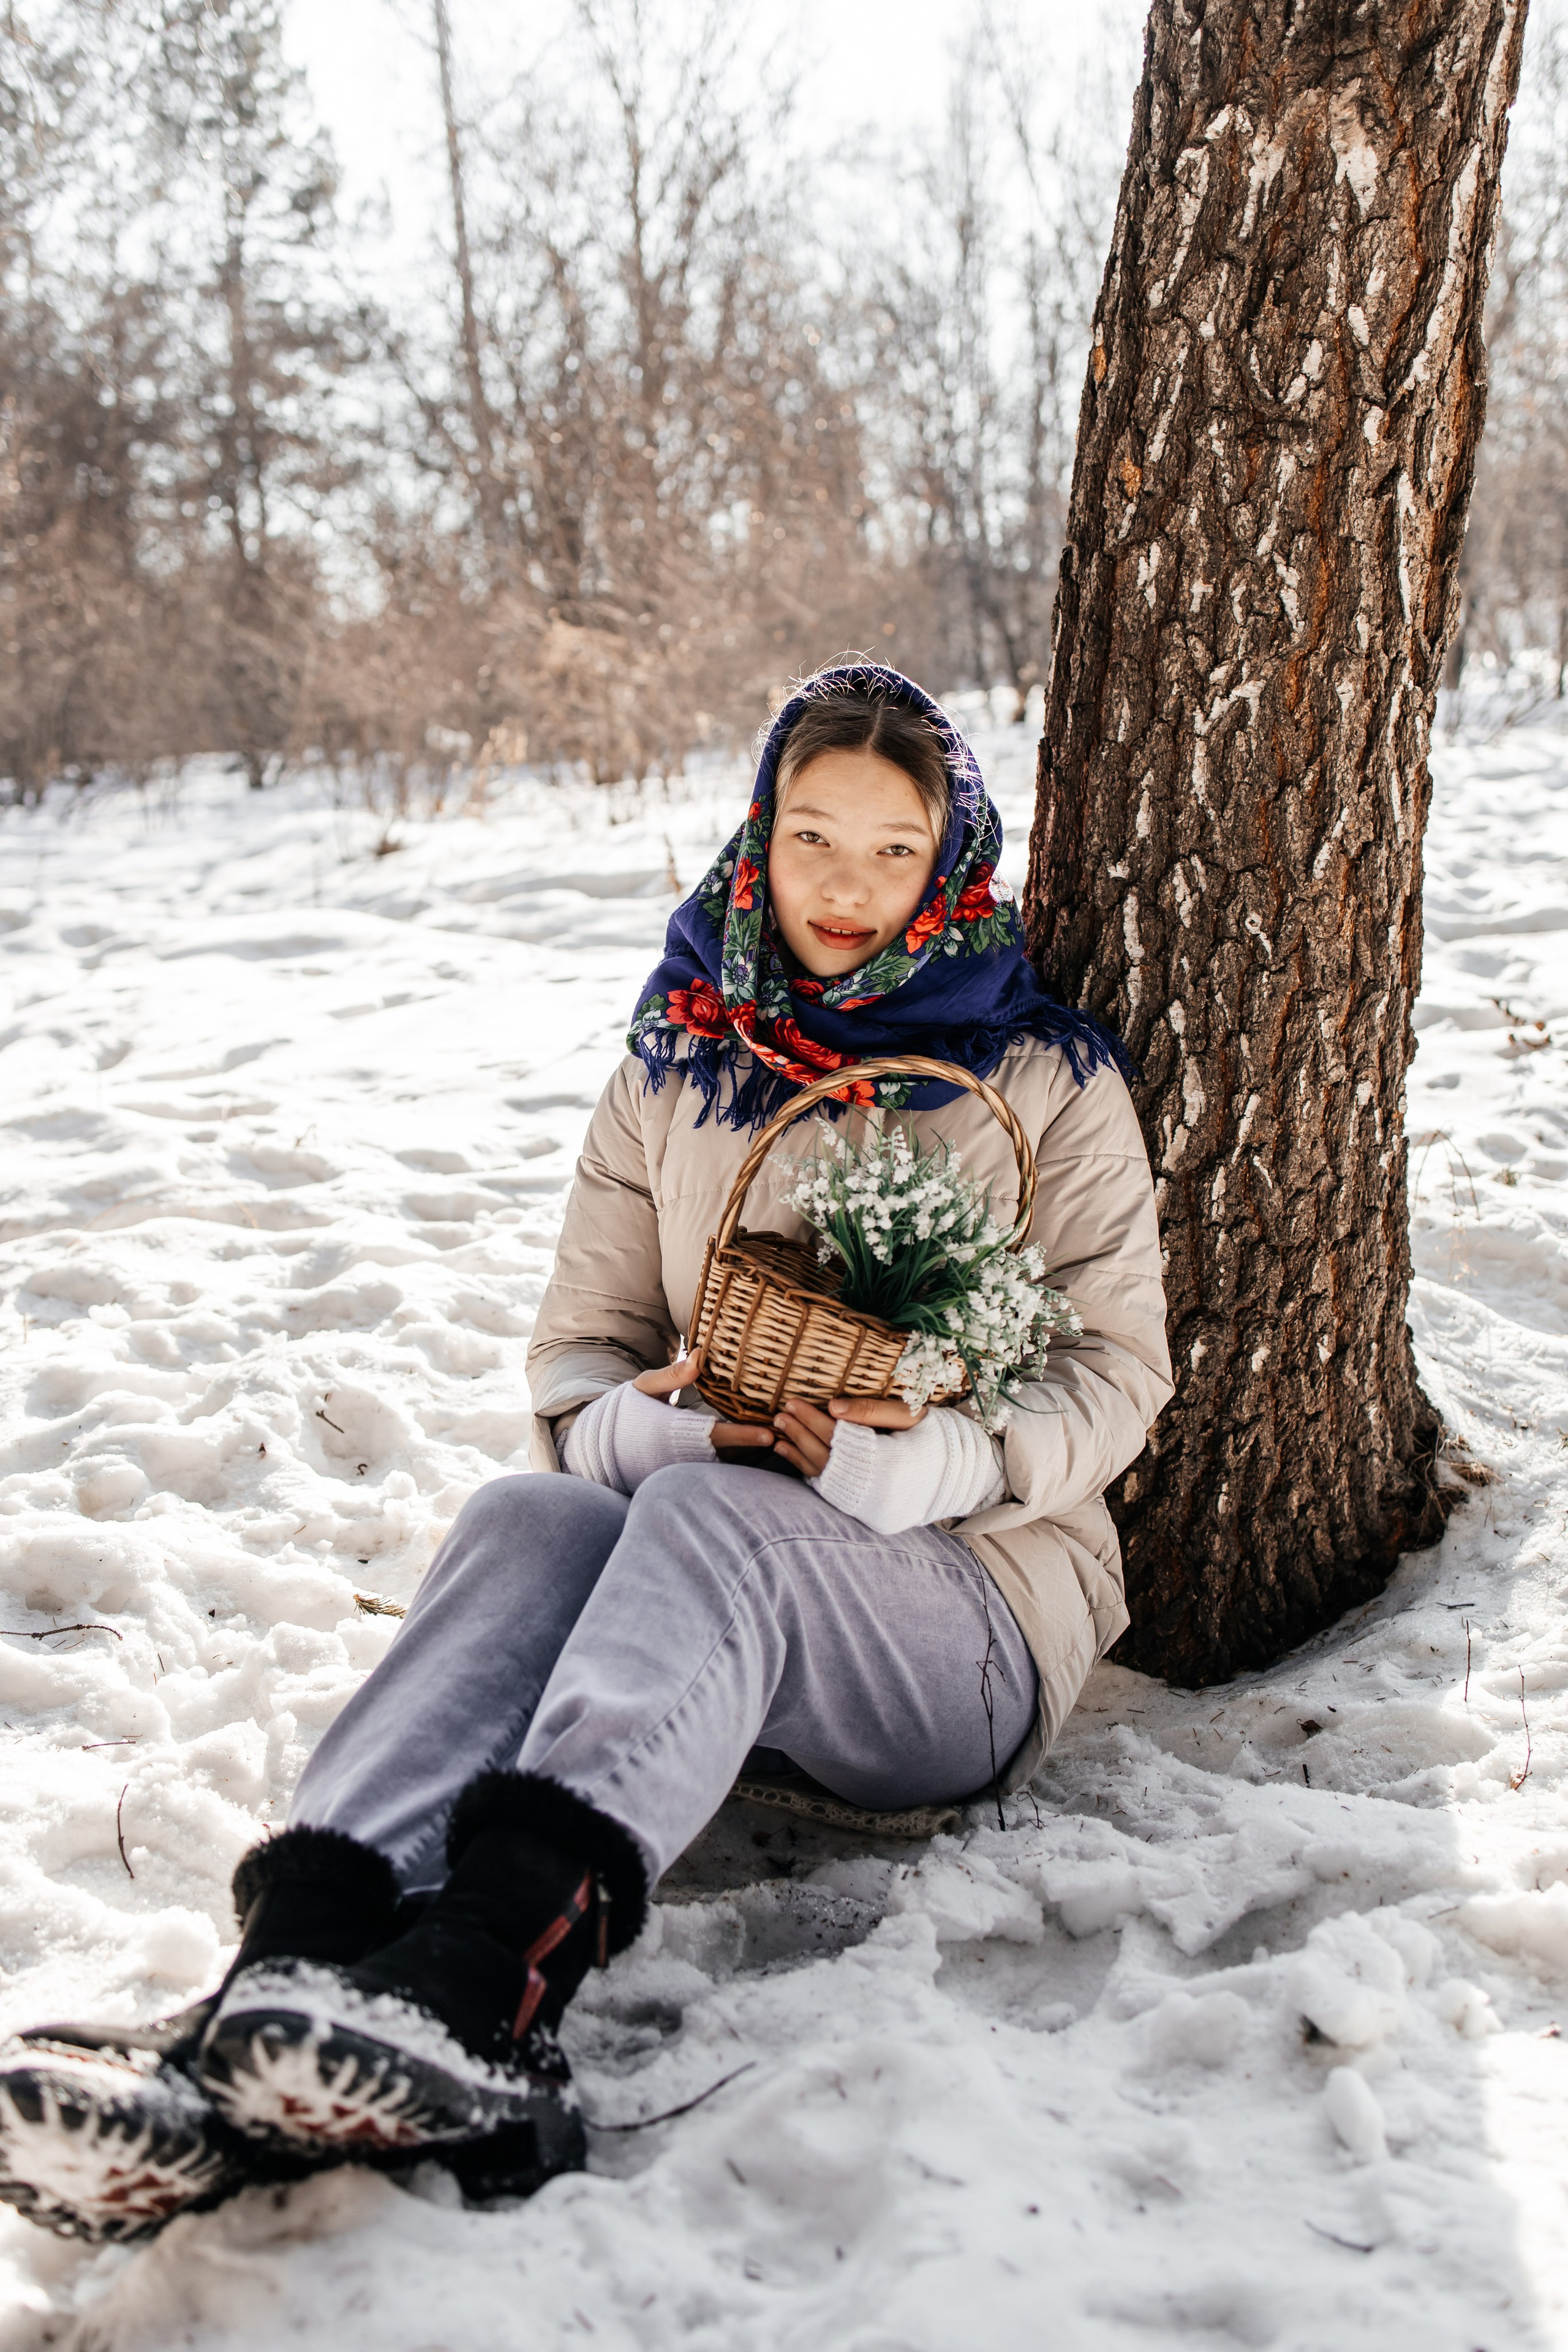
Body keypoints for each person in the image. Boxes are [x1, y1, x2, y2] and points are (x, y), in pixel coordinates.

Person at [0, 663, 1171, 2242]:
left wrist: (933, 1468)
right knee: (523, 1515)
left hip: (967, 1618)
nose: (847, 887)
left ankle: (482, 1993)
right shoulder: (679, 1059)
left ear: (951, 864)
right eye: (814, 836)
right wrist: (639, 1416)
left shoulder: (1041, 1077)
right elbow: (575, 1353)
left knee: (708, 1520)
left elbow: (1119, 1372)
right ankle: (284, 1996)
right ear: (760, 834)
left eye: (895, 851)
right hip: (703, 1610)